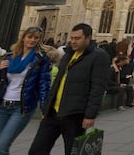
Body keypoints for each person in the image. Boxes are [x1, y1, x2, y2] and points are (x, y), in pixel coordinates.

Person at [28, 23, 110, 155]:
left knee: (73, 152)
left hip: (74, 114)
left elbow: (98, 87)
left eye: (77, 38)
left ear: (88, 38)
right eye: (72, 38)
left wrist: (90, 115)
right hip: (53, 113)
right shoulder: (68, 54)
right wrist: (46, 108)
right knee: (36, 150)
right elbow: (57, 83)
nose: (73, 41)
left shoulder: (99, 56)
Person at [0, 27, 52, 155]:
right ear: (23, 37)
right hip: (2, 105)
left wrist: (44, 108)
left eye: (36, 38)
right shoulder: (10, 56)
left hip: (21, 108)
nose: (32, 40)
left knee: (1, 147)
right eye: (30, 37)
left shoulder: (40, 59)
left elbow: (44, 84)